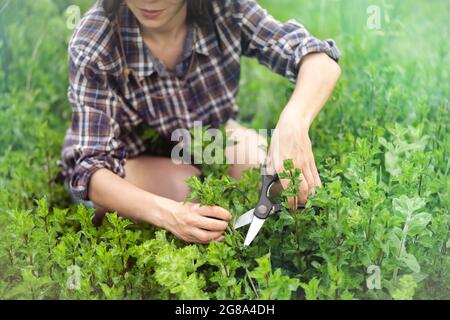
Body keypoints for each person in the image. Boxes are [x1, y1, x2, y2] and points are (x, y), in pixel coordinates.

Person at [57, 0, 341, 244]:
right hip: (125, 163)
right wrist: (170, 215)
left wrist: (293, 123)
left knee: (268, 174)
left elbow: (316, 58)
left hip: (199, 137)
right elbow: (91, 170)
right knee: (188, 190)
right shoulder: (96, 40)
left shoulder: (225, 9)